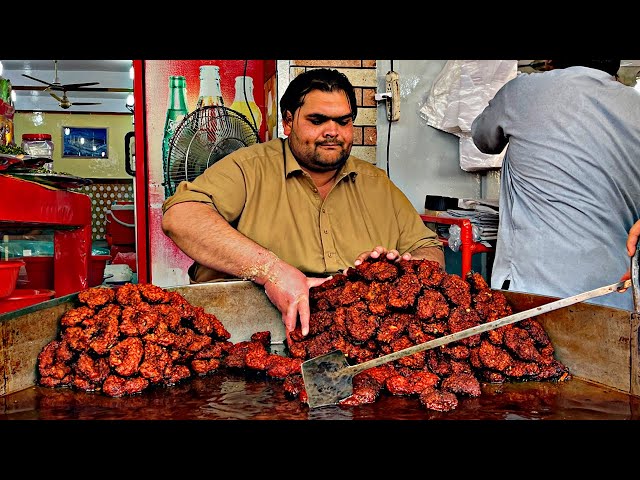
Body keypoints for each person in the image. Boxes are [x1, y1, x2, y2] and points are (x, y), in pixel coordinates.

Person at [162, 68, 444, 341]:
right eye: (318, 120)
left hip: (354, 341)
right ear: (287, 122)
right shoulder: (249, 168)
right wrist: (271, 271)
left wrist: (402, 271)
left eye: (343, 122)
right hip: (248, 337)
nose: (332, 131)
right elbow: (181, 217)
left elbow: (429, 249)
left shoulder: (376, 183)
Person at [471, 59, 640, 311]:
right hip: (618, 296)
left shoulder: (521, 91)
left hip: (533, 295)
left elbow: (483, 139)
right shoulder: (635, 105)